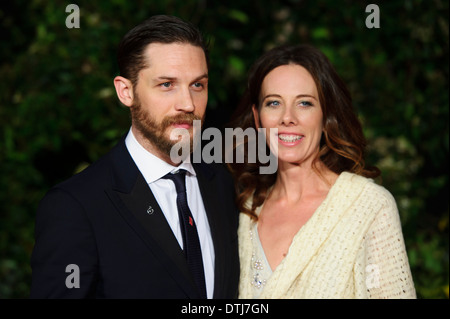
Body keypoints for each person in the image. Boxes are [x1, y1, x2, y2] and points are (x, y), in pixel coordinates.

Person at [30, 15, 239, 299]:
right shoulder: (76, 206)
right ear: (125, 91)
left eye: (197, 85)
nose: (188, 104)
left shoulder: (224, 185)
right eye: (167, 84)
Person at [228, 44, 416, 298]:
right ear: (258, 117)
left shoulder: (369, 207)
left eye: (304, 103)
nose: (288, 117)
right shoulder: (247, 212)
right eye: (274, 103)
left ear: (326, 115)